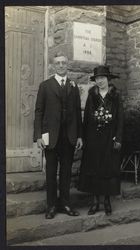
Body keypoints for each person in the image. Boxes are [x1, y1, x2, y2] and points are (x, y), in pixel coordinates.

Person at [33, 51, 83, 219]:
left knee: (66, 173)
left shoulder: (73, 86)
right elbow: (39, 111)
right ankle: (51, 206)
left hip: (68, 137)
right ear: (54, 65)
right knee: (51, 172)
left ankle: (66, 204)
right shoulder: (45, 86)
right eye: (58, 63)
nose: (61, 65)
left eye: (63, 62)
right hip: (51, 137)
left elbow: (77, 113)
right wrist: (38, 136)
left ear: (67, 65)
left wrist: (80, 136)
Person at [78, 65, 123, 215]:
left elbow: (121, 119)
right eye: (97, 79)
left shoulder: (115, 96)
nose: (100, 81)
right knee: (94, 169)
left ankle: (107, 202)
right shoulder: (92, 95)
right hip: (93, 139)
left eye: (102, 78)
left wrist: (119, 138)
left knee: (108, 169)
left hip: (110, 138)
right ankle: (95, 202)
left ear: (108, 79)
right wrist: (84, 138)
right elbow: (86, 119)